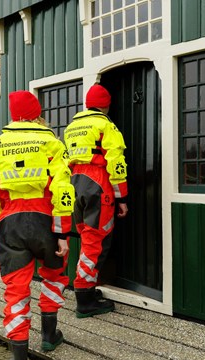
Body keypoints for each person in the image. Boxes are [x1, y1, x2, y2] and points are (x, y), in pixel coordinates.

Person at [0, 90, 75, 360]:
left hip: (10, 221)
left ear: (12, 115)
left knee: (16, 289)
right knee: (54, 275)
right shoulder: (52, 142)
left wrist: (1, 218)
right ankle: (49, 336)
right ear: (37, 113)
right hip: (46, 220)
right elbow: (63, 190)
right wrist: (62, 233)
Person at [63, 84, 128, 318]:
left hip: (73, 182)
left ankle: (88, 288)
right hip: (97, 182)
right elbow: (116, 162)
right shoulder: (106, 125)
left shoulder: (71, 127)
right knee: (95, 240)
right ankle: (85, 298)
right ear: (106, 105)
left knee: (85, 236)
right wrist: (122, 196)